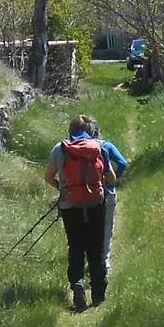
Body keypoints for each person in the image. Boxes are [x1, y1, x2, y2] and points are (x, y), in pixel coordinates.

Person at [46, 116, 116, 311]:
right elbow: (111, 177)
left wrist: (62, 188)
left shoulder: (60, 149)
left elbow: (48, 177)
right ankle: (99, 295)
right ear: (91, 131)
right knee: (96, 248)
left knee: (76, 246)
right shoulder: (99, 148)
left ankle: (78, 282)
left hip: (70, 205)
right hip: (95, 204)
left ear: (70, 130)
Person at [80, 115, 129, 270]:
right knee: (106, 227)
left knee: (86, 227)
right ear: (97, 132)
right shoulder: (106, 146)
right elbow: (123, 163)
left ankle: (88, 259)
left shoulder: (74, 148)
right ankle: (103, 262)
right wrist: (112, 179)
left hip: (82, 194)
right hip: (106, 193)